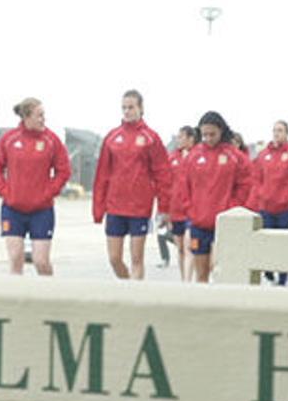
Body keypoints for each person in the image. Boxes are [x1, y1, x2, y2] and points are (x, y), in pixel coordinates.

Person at [92, 90, 172, 280]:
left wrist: (164, 207)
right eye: (124, 108)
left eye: (131, 107)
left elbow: (163, 175)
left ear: (141, 108)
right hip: (115, 207)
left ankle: (134, 297)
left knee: (137, 259)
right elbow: (102, 175)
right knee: (114, 258)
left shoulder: (151, 138)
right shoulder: (112, 137)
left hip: (139, 208)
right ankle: (128, 288)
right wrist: (98, 208)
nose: (127, 111)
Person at [0, 97, 71, 275]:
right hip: (13, 209)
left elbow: (63, 171)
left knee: (40, 261)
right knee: (16, 258)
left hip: (41, 210)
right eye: (39, 115)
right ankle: (16, 299)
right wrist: (4, 191)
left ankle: (48, 296)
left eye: (44, 115)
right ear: (26, 117)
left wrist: (48, 192)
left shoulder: (51, 140)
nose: (43, 119)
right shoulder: (9, 139)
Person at [179, 112, 252, 283]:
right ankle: (201, 306)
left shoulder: (235, 157)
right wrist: (191, 210)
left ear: (221, 131)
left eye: (212, 134)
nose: (208, 138)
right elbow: (183, 186)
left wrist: (231, 208)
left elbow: (245, 186)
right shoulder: (193, 156)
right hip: (199, 222)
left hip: (224, 223)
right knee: (201, 272)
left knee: (217, 268)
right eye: (204, 135)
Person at [249, 120, 288, 286]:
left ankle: (282, 279)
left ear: (287, 133)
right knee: (266, 240)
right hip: (266, 207)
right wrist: (261, 193)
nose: (276, 133)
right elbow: (256, 177)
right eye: (275, 130)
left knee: (283, 242)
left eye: (280, 130)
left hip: (286, 208)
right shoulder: (264, 155)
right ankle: (268, 270)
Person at [157, 126, 197, 279]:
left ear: (191, 138)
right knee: (180, 248)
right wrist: (163, 210)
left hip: (192, 212)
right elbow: (165, 185)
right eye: (178, 137)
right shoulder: (172, 158)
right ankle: (184, 279)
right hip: (175, 211)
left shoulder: (198, 156)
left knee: (190, 247)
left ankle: (189, 280)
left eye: (181, 137)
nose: (178, 140)